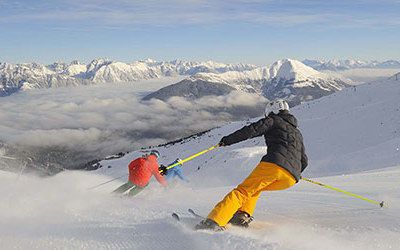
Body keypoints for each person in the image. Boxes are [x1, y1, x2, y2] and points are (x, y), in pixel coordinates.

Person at [196, 99, 308, 231]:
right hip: (290, 179)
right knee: (254, 189)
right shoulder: (297, 133)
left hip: (274, 166)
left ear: (272, 111)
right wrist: (295, 172)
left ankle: (213, 222)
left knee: (241, 192)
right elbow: (304, 160)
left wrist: (227, 140)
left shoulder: (274, 120)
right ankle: (241, 216)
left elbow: (251, 130)